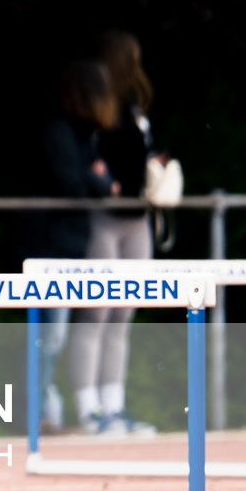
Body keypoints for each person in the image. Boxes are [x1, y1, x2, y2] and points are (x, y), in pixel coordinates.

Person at [68, 28, 162, 435]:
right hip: (105, 218)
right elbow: (85, 162)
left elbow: (143, 155)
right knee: (96, 311)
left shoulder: (138, 110)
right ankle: (87, 408)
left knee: (124, 312)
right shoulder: (94, 109)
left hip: (137, 219)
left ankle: (114, 404)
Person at [18, 60, 118, 431]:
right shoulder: (58, 131)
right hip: (48, 247)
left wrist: (98, 181)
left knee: (53, 333)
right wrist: (99, 183)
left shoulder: (84, 134)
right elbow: (74, 184)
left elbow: (94, 180)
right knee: (48, 333)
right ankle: (38, 412)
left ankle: (44, 409)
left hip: (68, 244)